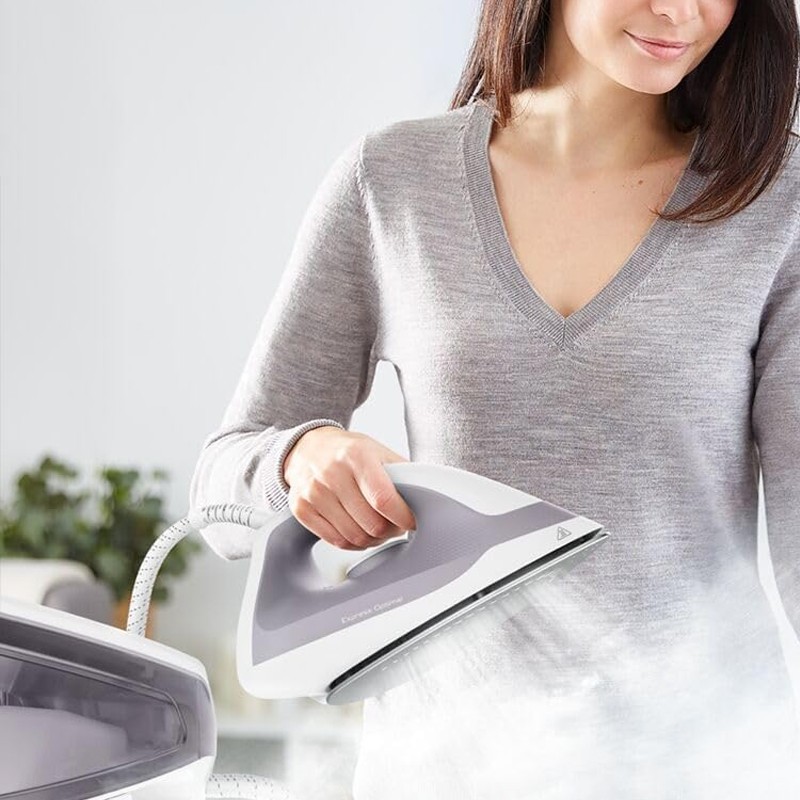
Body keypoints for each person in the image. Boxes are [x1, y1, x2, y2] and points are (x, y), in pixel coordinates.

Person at [190, 0, 800, 796]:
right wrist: (298, 459)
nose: (680, 10)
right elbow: (219, 493)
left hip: (701, 766)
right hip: (445, 768)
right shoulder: (395, 180)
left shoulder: (777, 202)